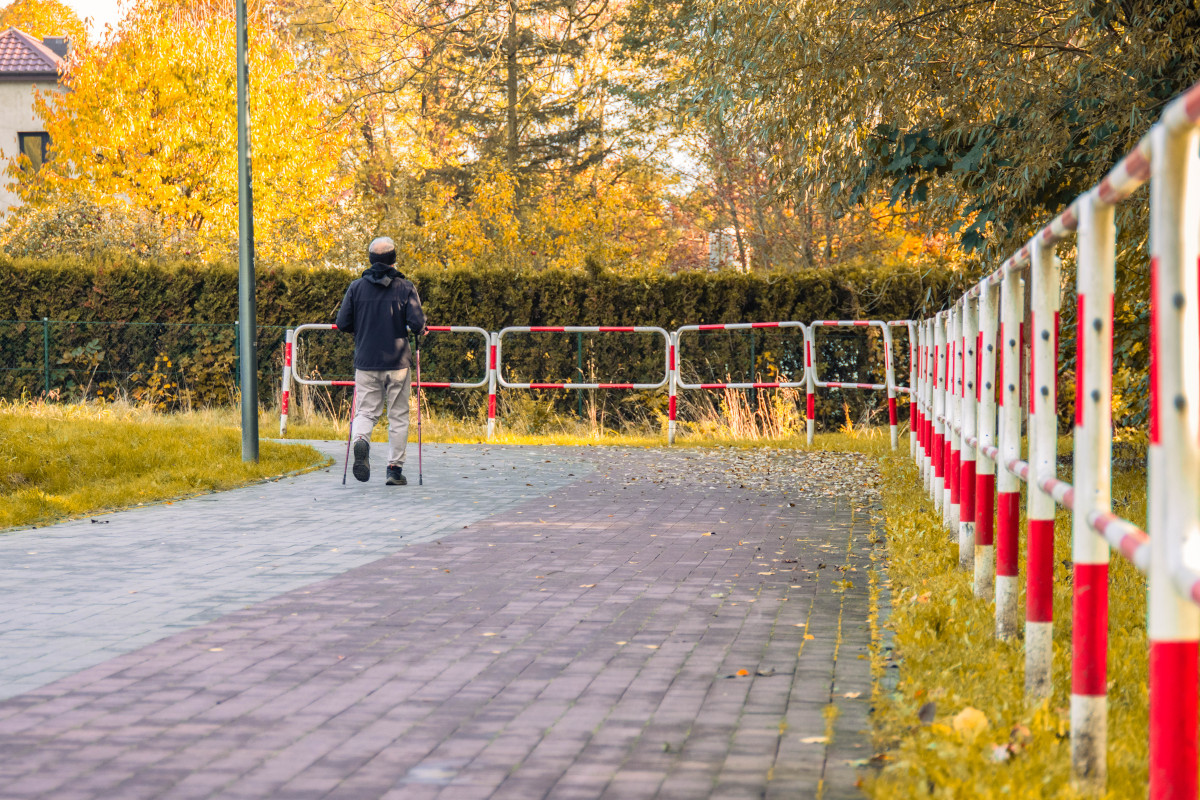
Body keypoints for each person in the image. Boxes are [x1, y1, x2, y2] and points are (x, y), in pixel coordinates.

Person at [335, 236, 427, 485]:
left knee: (365, 411)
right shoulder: (406, 287)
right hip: (398, 363)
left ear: (371, 260)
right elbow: (418, 324)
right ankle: (394, 470)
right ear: (393, 260)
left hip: (366, 361)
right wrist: (420, 330)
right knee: (397, 415)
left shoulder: (356, 287)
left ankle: (361, 441)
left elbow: (342, 323)